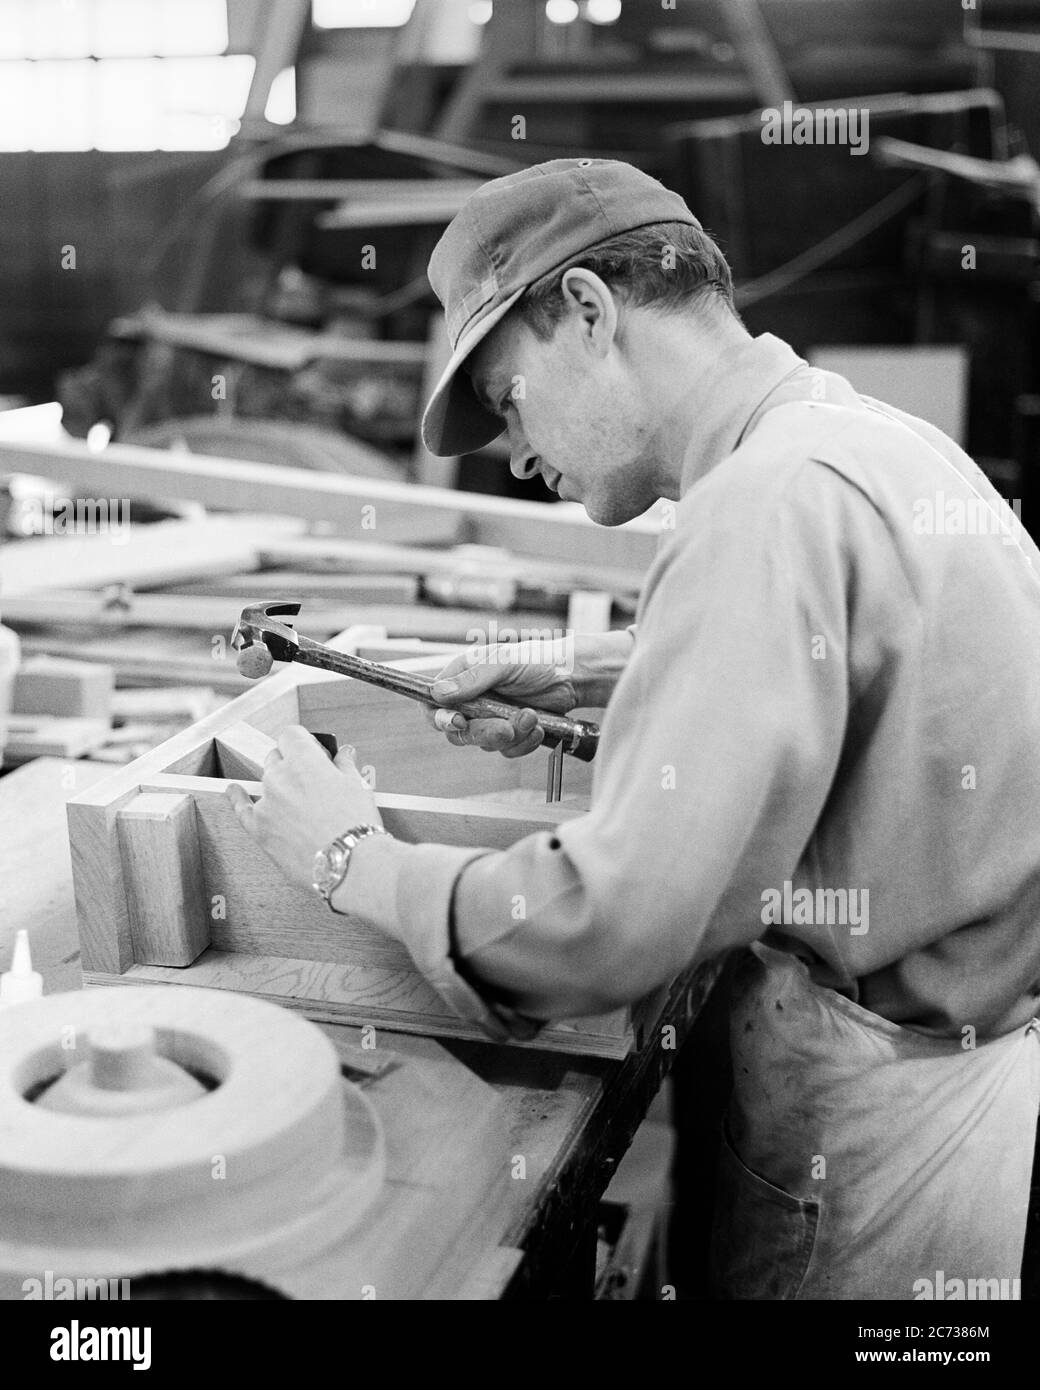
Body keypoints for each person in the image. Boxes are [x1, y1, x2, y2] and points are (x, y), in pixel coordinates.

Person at [228, 159, 1040, 1300]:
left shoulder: (758, 508)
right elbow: (863, 728)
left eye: (507, 399)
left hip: (863, 1157)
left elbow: (610, 927)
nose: (513, 454)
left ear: (588, 312)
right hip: (953, 1102)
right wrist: (610, 683)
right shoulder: (853, 441)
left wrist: (349, 858)